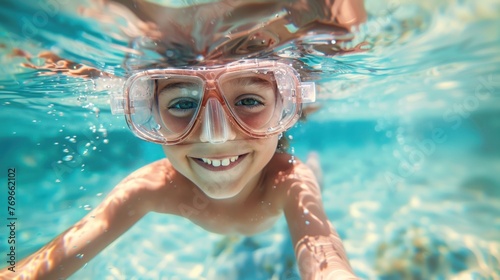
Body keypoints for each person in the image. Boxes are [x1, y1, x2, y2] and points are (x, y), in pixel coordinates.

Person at [0, 59, 357, 279]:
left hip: (290, 190)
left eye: (249, 101)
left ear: (284, 112)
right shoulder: (150, 187)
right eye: (183, 103)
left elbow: (324, 256)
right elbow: (45, 264)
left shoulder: (287, 179)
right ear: (150, 116)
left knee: (311, 178)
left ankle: (316, 166)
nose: (215, 135)